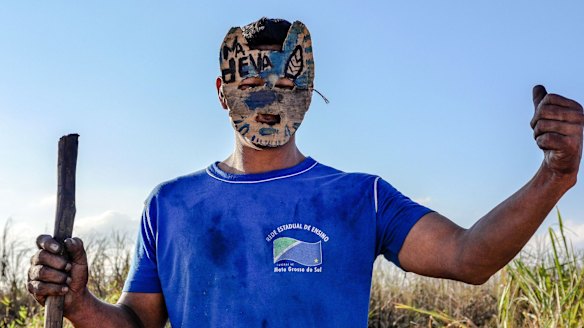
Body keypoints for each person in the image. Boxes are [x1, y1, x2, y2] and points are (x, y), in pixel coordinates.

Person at [27, 17, 584, 328]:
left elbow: (470, 258)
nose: (269, 96)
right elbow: (138, 326)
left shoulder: (360, 199)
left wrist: (554, 175)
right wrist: (79, 304)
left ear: (311, 93)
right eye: (251, 83)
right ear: (222, 92)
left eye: (287, 84)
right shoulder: (170, 205)